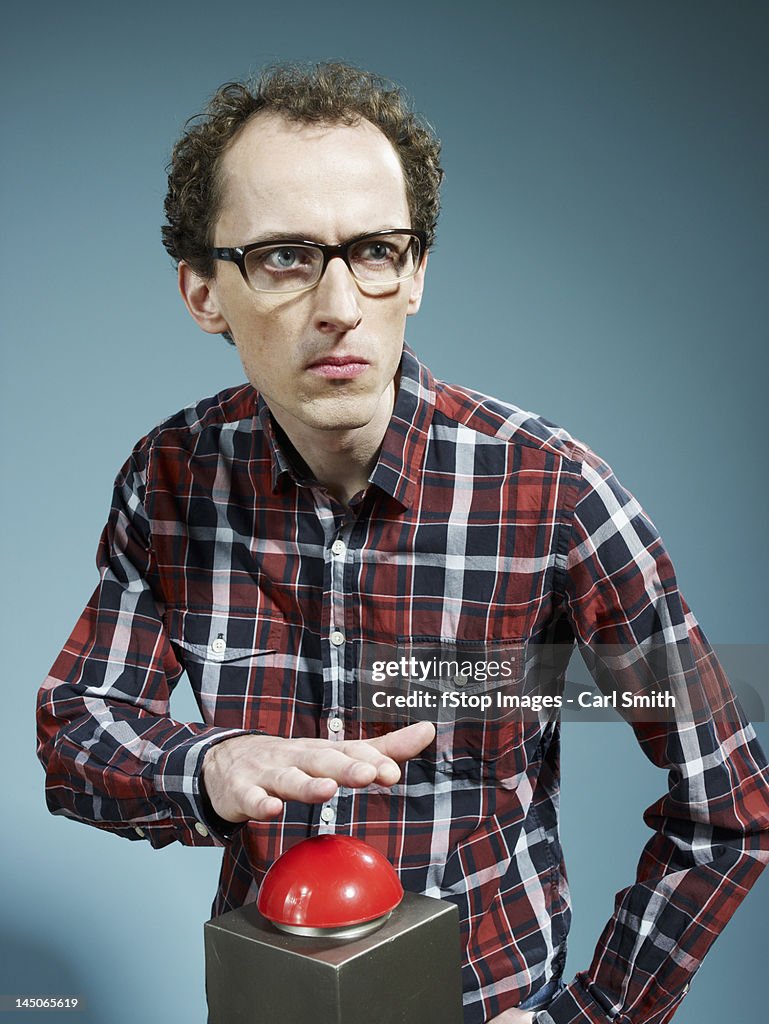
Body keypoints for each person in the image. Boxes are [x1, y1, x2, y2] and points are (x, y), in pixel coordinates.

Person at [36, 62, 769, 1024]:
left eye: (374, 250)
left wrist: (596, 1017)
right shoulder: (171, 475)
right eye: (285, 257)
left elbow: (730, 807)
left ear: (413, 273)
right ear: (204, 292)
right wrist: (208, 768)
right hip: (268, 998)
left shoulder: (551, 491)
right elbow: (78, 729)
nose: (339, 303)